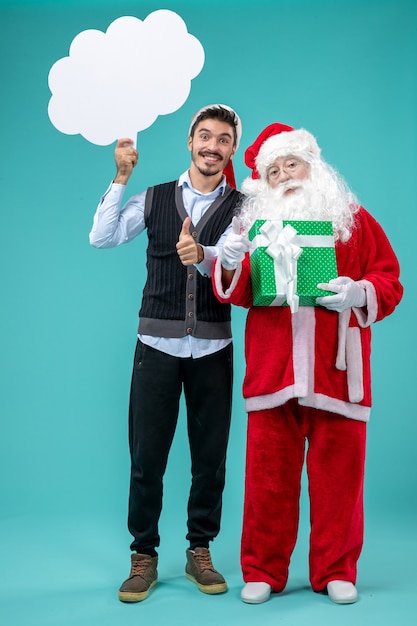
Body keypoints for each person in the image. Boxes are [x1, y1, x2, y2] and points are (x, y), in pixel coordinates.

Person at [212, 122, 403, 605]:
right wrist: (231, 260)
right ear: (265, 182)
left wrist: (360, 292)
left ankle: (336, 569)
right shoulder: (253, 230)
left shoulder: (351, 219)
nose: (283, 175)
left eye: (290, 164)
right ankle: (262, 570)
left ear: (312, 165)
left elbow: (389, 278)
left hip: (338, 373)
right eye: (272, 170)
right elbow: (240, 293)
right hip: (273, 371)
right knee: (267, 480)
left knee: (339, 479)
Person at [89, 104, 243, 602]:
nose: (212, 147)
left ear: (232, 150)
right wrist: (120, 177)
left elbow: (243, 264)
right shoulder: (153, 198)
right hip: (155, 346)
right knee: (146, 457)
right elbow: (102, 237)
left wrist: (206, 256)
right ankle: (144, 556)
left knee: (210, 458)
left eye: (223, 140)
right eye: (205, 136)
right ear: (189, 141)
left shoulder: (243, 208)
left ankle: (200, 550)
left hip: (214, 348)